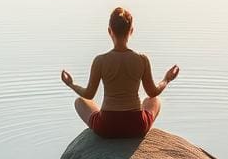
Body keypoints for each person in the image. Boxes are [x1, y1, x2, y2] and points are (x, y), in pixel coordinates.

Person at [60, 7, 179, 139]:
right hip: (136, 126)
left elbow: (89, 94)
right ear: (131, 31)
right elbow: (153, 92)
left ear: (109, 31)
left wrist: (71, 84)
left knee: (80, 101)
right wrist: (166, 79)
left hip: (106, 126)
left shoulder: (100, 60)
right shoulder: (142, 59)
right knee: (154, 100)